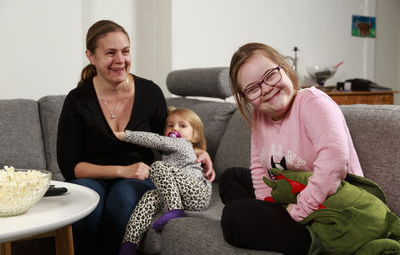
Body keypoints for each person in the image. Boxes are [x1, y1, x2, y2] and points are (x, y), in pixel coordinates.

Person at [57, 20, 214, 255]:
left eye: (125, 51)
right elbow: (70, 166)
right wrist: (122, 170)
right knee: (87, 204)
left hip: (138, 178)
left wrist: (198, 152)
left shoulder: (150, 92)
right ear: (91, 56)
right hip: (93, 175)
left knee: (122, 200)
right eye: (110, 52)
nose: (120, 60)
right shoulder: (77, 100)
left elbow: (167, 140)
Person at [219, 42, 364, 255]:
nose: (266, 89)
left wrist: (296, 212)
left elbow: (334, 163)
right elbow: (259, 168)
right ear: (245, 98)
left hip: (332, 211)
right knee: (231, 176)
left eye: (270, 75)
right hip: (292, 194)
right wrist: (266, 207)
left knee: (233, 218)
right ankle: (269, 223)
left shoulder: (313, 103)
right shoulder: (261, 115)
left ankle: (315, 243)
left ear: (284, 68)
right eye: (252, 89)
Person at [115, 107, 212, 255]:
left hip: (198, 193)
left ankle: (174, 210)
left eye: (182, 125)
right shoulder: (169, 153)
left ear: (196, 136)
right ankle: (129, 244)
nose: (175, 128)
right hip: (181, 195)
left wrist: (124, 135)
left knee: (157, 166)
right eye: (170, 125)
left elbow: (155, 140)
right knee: (149, 196)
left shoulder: (183, 144)